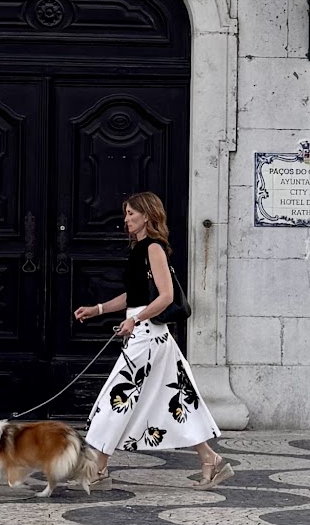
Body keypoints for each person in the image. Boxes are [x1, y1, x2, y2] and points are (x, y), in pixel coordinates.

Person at [74, 192, 233, 488]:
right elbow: (133, 296)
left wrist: (135, 319)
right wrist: (98, 309)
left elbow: (166, 297)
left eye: (131, 213)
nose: (126, 219)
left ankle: (98, 470)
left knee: (115, 400)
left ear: (146, 215)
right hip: (149, 336)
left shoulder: (154, 248)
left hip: (147, 337)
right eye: (126, 214)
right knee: (174, 401)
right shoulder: (138, 249)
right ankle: (211, 459)